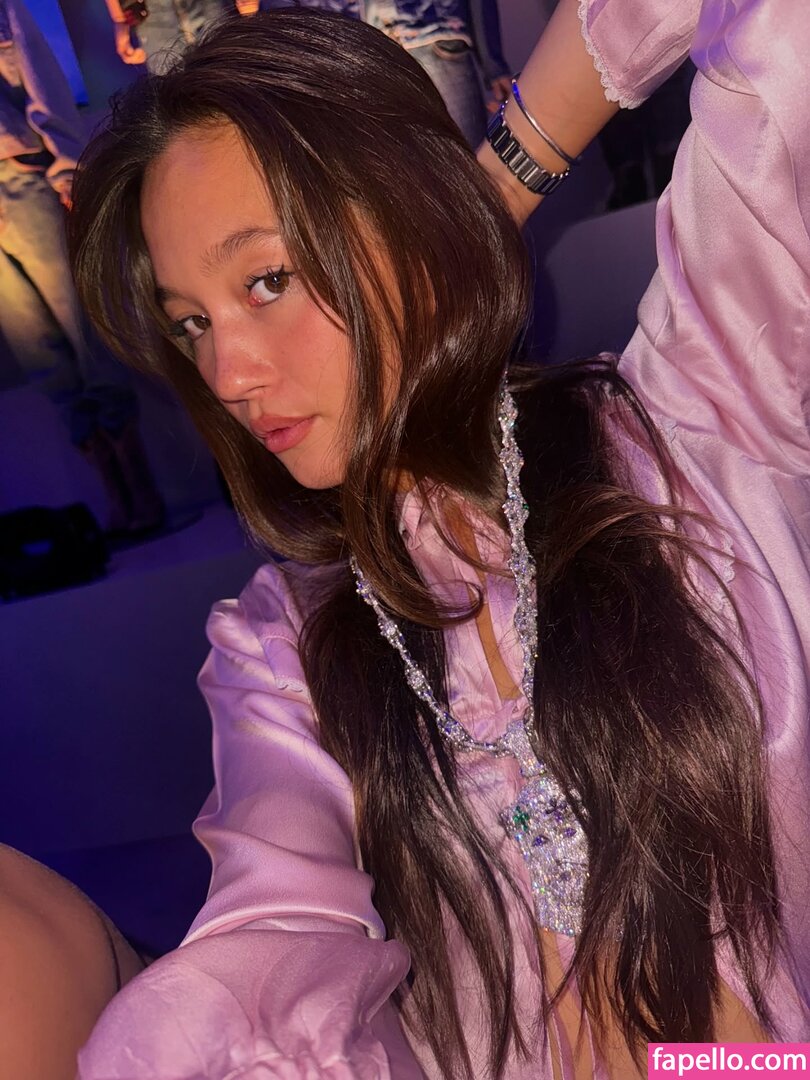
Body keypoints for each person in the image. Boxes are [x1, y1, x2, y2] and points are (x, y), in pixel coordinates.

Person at [60, 0, 810, 1075]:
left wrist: (494, 185)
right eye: (193, 323)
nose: (228, 374)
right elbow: (270, 953)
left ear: (403, 216)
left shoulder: (700, 426)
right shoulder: (280, 652)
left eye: (266, 281)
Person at [0, 0, 164, 535]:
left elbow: (36, 65)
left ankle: (142, 495)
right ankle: (118, 497)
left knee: (83, 330)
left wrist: (68, 167)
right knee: (38, 351)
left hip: (18, 177)